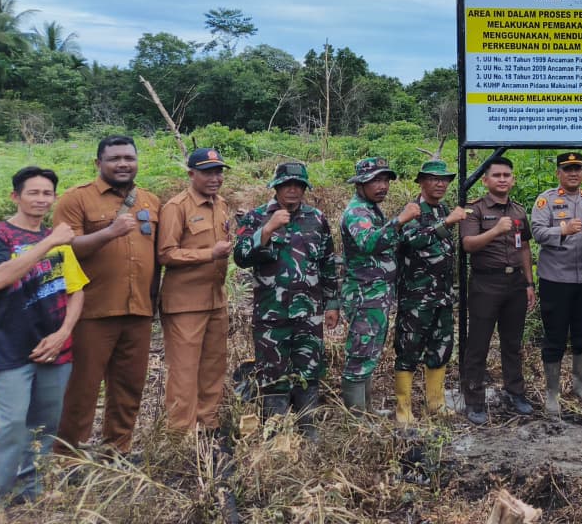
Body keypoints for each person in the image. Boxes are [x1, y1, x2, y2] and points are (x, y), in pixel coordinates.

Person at [54, 135, 160, 456]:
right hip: (92, 312)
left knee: (129, 387)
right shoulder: (76, 200)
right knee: (82, 389)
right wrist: (108, 233)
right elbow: (64, 249)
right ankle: (67, 457)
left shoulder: (152, 202)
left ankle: (118, 450)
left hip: (138, 311)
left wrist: (154, 304)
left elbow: (157, 256)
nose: (123, 163)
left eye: (129, 157)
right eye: (114, 158)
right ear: (98, 163)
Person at [0, 167, 87, 503]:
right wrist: (48, 241)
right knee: (12, 424)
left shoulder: (57, 239)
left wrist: (64, 333)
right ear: (16, 196)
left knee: (44, 426)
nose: (41, 199)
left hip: (56, 347)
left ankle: (30, 493)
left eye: (47, 193)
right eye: (33, 192)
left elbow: (76, 290)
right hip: (12, 347)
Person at [233, 161, 340, 428]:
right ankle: (276, 432)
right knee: (273, 373)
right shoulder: (256, 217)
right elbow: (241, 257)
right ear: (276, 187)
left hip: (309, 313)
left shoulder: (316, 219)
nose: (292, 190)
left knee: (309, 369)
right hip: (271, 314)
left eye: (298, 185)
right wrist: (267, 229)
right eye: (286, 185)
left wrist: (332, 303)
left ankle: (307, 428)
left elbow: (327, 262)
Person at [156, 148, 233, 434]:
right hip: (185, 303)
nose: (215, 178)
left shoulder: (222, 204)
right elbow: (165, 254)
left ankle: (208, 424)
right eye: (207, 172)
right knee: (184, 370)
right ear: (191, 174)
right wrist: (207, 255)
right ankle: (181, 433)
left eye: (218, 172)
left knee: (213, 365)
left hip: (215, 299)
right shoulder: (177, 207)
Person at [338, 157, 422, 413]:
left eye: (384, 180)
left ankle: (366, 410)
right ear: (360, 184)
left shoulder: (372, 209)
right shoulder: (357, 212)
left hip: (378, 295)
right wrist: (399, 221)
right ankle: (356, 418)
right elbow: (368, 242)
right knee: (360, 354)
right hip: (364, 297)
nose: (382, 186)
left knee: (370, 353)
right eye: (375, 180)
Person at [460, 156, 536, 425]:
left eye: (507, 175)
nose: (502, 179)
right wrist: (494, 231)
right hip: (485, 283)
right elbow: (468, 244)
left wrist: (529, 283)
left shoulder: (518, 211)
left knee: (512, 343)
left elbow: (524, 247)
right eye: (497, 175)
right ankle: (474, 401)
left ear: (512, 179)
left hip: (515, 283)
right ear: (486, 180)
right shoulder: (475, 210)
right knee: (478, 344)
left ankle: (515, 392)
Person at [393, 160, 466, 424]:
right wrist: (447, 222)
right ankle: (403, 409)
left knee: (442, 347)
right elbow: (413, 240)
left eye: (445, 179)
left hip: (442, 296)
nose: (440, 184)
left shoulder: (443, 209)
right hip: (416, 298)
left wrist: (446, 219)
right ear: (421, 182)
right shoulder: (413, 211)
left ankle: (435, 403)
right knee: (409, 350)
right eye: (434, 179)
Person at [531, 152, 582, 414]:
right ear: (558, 173)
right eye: (567, 169)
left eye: (578, 168)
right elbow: (537, 232)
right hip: (555, 280)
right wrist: (561, 230)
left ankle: (581, 387)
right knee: (555, 337)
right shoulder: (546, 200)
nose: (573, 173)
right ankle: (552, 393)